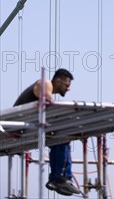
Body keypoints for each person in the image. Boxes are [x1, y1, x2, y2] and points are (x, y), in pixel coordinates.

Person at [14, 68, 81, 196]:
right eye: (67, 85)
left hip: (27, 124)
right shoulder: (45, 83)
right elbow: (50, 103)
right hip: (19, 125)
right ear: (57, 81)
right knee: (63, 134)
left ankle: (57, 178)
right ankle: (61, 178)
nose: (68, 88)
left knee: (58, 139)